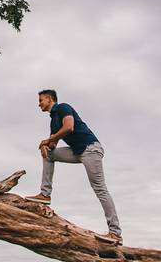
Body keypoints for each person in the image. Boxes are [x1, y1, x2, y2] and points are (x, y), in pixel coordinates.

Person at [24, 89, 123, 246]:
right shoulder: (53, 121)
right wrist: (46, 146)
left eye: (41, 100)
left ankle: (115, 233)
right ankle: (45, 194)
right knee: (49, 155)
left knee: (100, 189)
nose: (39, 104)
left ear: (50, 99)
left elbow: (69, 127)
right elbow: (53, 144)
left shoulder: (63, 108)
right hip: (77, 151)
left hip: (90, 149)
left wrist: (48, 139)